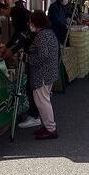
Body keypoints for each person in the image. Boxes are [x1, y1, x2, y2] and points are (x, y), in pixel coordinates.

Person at [0, 0, 39, 129]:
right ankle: (34, 113)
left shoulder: (18, 14)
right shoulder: (16, 14)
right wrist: (7, 46)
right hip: (30, 47)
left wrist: (11, 50)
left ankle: (35, 116)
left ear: (0, 10)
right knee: (31, 84)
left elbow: (23, 36)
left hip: (33, 48)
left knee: (31, 84)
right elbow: (17, 35)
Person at [26, 11, 61, 140]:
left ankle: (51, 128)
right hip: (49, 72)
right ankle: (47, 126)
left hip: (42, 74)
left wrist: (27, 59)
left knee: (42, 102)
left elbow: (42, 55)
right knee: (43, 100)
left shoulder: (41, 36)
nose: (29, 24)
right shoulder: (49, 33)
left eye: (31, 21)